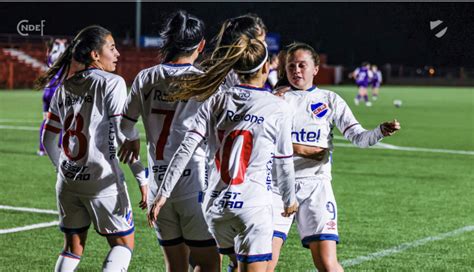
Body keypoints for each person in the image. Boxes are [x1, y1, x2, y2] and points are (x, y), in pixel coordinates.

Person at [148, 37, 298, 272]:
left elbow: (186, 147)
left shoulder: (214, 100)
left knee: (231, 264)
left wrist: (162, 193)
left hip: (216, 208)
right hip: (252, 207)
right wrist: (290, 199)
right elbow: (284, 161)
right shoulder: (278, 106)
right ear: (266, 67)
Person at [270, 42, 400, 272]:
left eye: (302, 65)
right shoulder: (275, 100)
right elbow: (263, 143)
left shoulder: (330, 100)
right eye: (291, 66)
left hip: (316, 187)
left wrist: (379, 131)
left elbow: (359, 138)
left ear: (315, 69)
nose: (296, 70)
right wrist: (302, 149)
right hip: (276, 188)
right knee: (264, 265)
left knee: (328, 265)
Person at [37, 25, 148, 272]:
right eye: (112, 47)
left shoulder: (64, 86)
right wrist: (142, 177)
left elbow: (48, 138)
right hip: (102, 181)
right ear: (95, 55)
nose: (117, 53)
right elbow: (123, 132)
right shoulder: (113, 82)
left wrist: (61, 168)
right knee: (123, 243)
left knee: (72, 247)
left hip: (68, 180)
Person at [118, 10, 220, 272]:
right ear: (200, 45)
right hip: (194, 182)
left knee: (175, 267)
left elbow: (125, 126)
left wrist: (132, 139)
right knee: (209, 263)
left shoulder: (145, 77)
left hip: (157, 183)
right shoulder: (204, 82)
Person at [37, 38, 67, 156]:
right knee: (64, 120)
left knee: (46, 120)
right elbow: (63, 54)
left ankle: (42, 149)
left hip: (47, 92)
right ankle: (60, 146)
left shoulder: (49, 57)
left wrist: (57, 44)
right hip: (56, 92)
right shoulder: (57, 57)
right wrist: (62, 44)